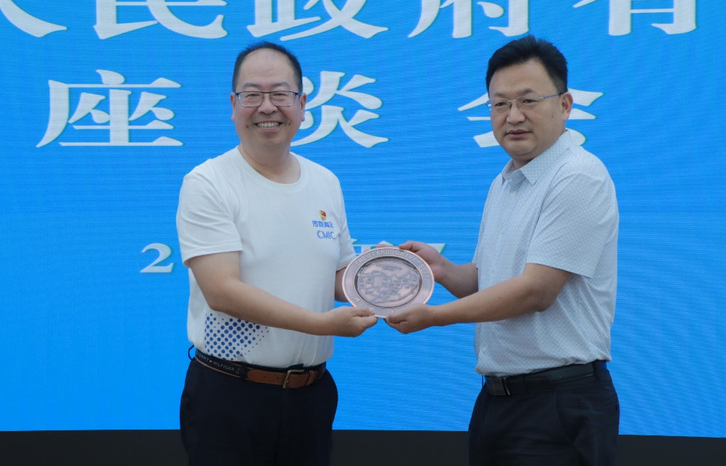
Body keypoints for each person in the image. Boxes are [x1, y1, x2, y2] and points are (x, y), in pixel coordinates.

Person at [387, 35, 620, 465]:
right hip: (499, 400)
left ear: (565, 104)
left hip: (559, 402)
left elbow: (535, 291)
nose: (513, 116)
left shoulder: (577, 176)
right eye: (499, 104)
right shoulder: (506, 180)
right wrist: (442, 270)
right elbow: (489, 281)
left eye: (528, 101)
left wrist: (434, 316)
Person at [176, 41, 377, 465]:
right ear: (233, 105)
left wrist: (386, 276)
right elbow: (222, 291)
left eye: (281, 94)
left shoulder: (325, 181)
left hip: (311, 394)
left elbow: (338, 277)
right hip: (231, 395)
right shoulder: (208, 182)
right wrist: (321, 323)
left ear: (302, 105)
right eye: (252, 95)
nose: (267, 107)